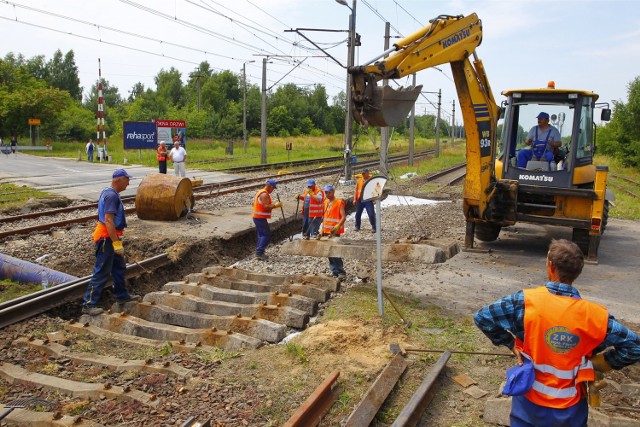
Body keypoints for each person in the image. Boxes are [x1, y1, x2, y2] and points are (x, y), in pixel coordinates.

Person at [474, 239, 640, 427]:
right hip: (570, 410)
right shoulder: (595, 315)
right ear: (577, 272)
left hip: (529, 403)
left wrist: (511, 343)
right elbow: (634, 347)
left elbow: (482, 317)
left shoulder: (525, 302)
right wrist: (601, 364)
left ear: (550, 266)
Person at [82, 169, 141, 315]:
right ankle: (88, 305)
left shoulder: (109, 193)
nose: (129, 183)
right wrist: (116, 243)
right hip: (105, 238)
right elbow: (108, 220)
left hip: (111, 237)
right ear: (119, 179)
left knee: (119, 267)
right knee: (102, 270)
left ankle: (122, 296)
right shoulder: (111, 196)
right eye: (127, 180)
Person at [252, 179, 282, 260]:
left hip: (258, 217)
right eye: (273, 188)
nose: (273, 190)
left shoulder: (261, 192)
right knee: (266, 235)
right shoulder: (264, 194)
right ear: (270, 186)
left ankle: (259, 252)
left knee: (261, 235)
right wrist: (275, 205)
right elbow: (266, 207)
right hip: (260, 218)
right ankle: (259, 252)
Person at [322, 184, 347, 279]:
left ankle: (341, 272)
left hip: (334, 232)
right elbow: (325, 217)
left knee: (335, 252)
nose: (327, 194)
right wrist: (322, 230)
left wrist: (338, 226)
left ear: (333, 192)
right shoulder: (326, 202)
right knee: (329, 252)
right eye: (326, 192)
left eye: (329, 192)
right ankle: (334, 271)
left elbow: (343, 217)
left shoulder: (339, 202)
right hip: (326, 231)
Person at [354, 168, 376, 233]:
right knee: (358, 214)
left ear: (368, 173)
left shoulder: (372, 180)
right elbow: (356, 190)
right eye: (362, 173)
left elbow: (375, 190)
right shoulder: (359, 180)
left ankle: (374, 227)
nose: (363, 174)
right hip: (360, 200)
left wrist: (374, 199)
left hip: (368, 200)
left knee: (371, 214)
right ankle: (357, 226)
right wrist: (355, 199)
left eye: (364, 173)